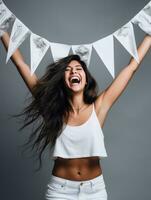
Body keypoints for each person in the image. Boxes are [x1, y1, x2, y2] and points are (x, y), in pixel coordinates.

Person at [1, 31, 151, 200]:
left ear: (85, 79)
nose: (73, 72)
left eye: (78, 69)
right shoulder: (51, 109)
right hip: (60, 191)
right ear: (63, 79)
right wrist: (3, 32)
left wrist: (149, 37)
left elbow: (131, 68)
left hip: (95, 190)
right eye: (68, 70)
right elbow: (21, 64)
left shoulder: (99, 106)